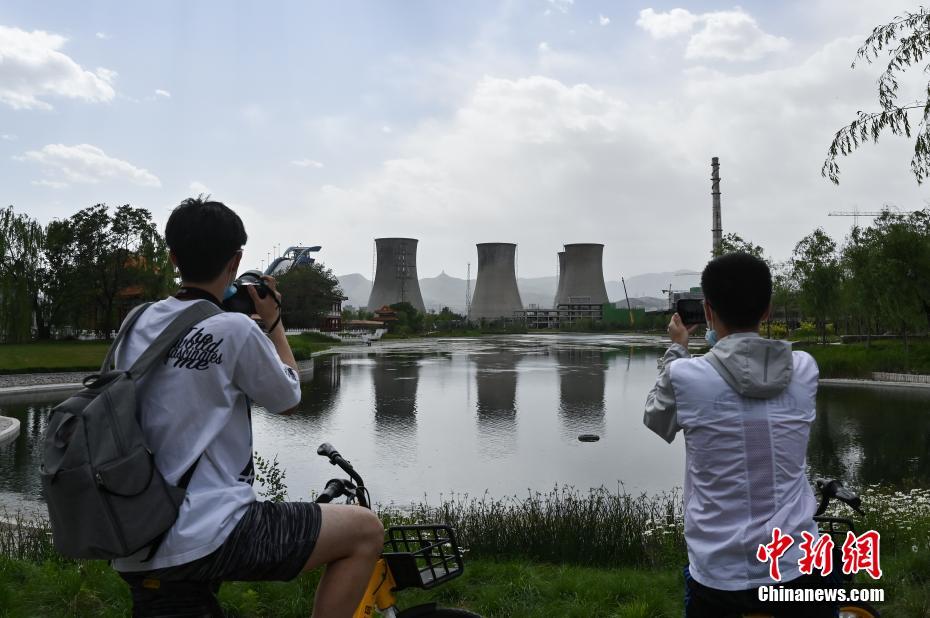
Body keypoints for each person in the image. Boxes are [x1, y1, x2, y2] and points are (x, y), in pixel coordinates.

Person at [113, 197, 384, 618]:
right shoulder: (235, 329)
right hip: (210, 530)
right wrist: (274, 325)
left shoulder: (136, 321)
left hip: (135, 534)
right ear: (235, 260)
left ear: (172, 258)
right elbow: (289, 398)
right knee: (365, 531)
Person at [643, 252, 837, 617]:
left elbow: (657, 420)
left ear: (708, 310)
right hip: (797, 565)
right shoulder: (805, 369)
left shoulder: (686, 375)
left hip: (719, 575)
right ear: (767, 310)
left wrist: (677, 349)